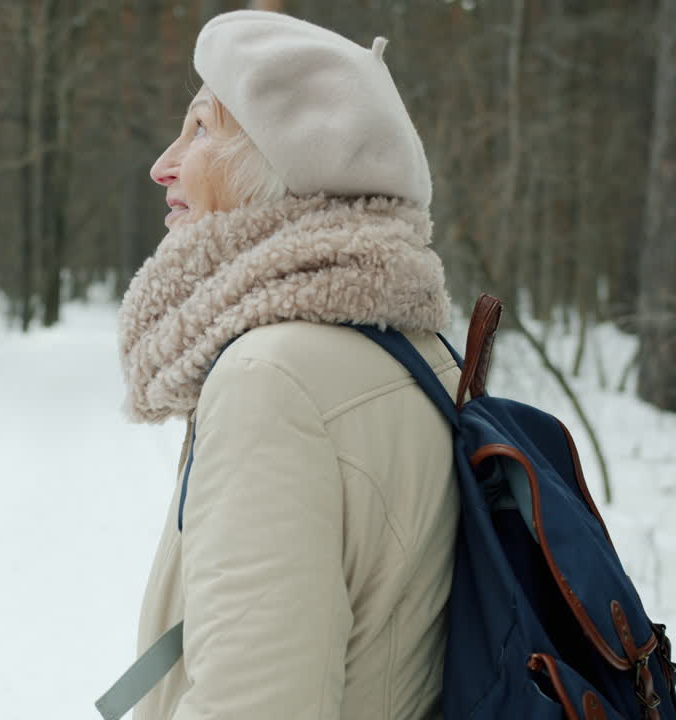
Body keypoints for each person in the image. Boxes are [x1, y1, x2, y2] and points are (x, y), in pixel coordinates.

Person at [115, 10, 461, 720]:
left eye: (202, 129)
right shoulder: (411, 347)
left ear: (280, 168)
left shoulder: (269, 380)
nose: (163, 165)